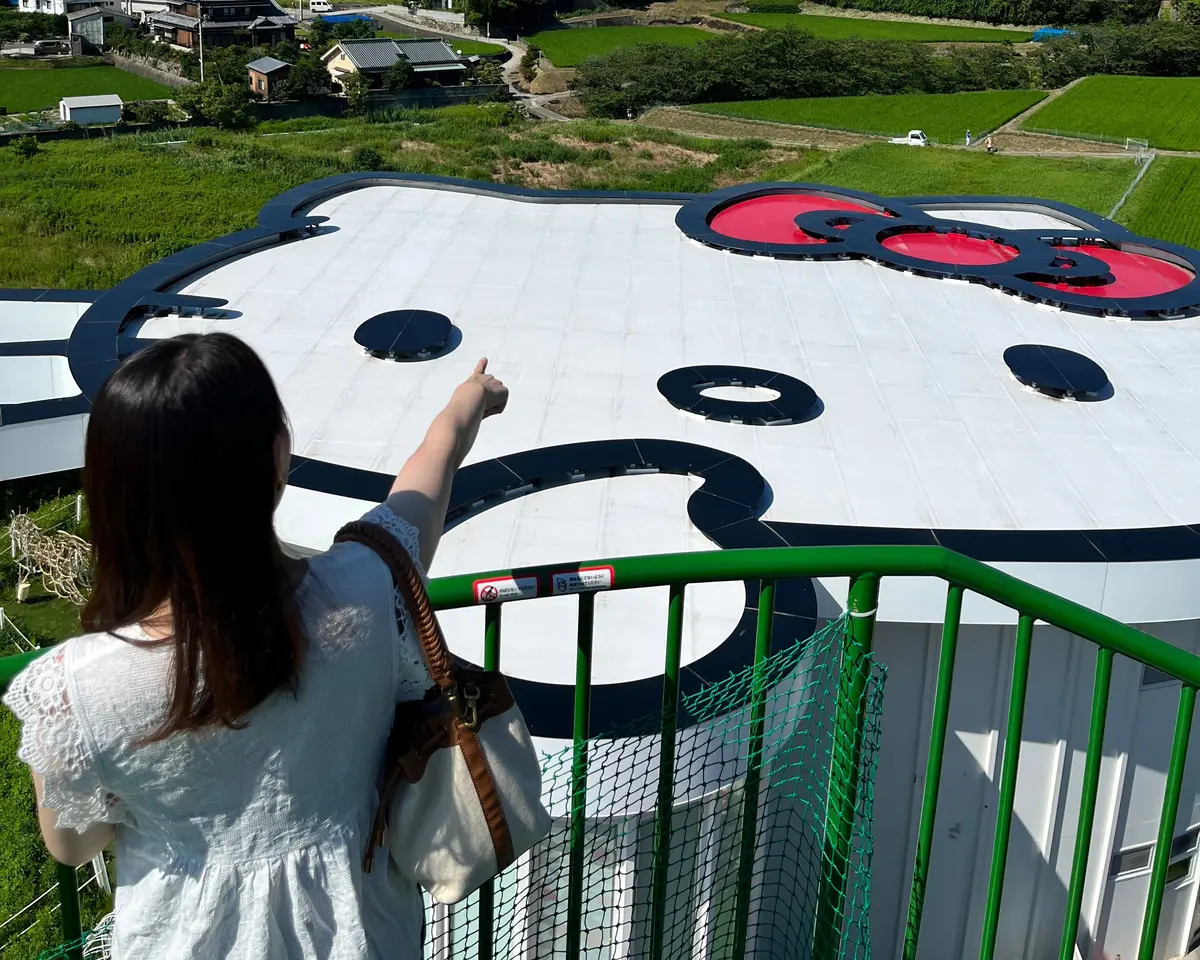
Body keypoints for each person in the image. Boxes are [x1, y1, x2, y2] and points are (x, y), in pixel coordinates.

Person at [2, 333, 508, 958]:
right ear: (276, 459)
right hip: (362, 935)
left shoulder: (71, 688)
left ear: (114, 496)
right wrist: (470, 400)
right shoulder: (371, 587)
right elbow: (428, 474)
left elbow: (73, 845)